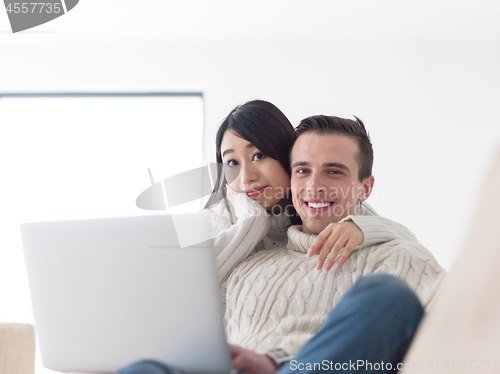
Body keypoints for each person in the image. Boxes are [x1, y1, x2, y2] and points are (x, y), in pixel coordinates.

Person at [116, 113, 446, 374]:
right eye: (302, 170)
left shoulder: (396, 256)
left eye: (334, 172)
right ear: (290, 179)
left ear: (365, 188)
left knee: (387, 295)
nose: (314, 186)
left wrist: (275, 360)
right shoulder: (249, 260)